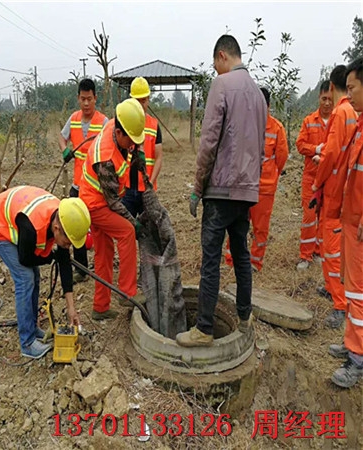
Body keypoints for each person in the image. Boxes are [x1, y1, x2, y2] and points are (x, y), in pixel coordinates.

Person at [176, 35, 267, 347]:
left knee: (211, 259)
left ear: (222, 56)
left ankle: (203, 328)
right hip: (246, 192)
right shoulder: (258, 94)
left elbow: (209, 142)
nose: (216, 70)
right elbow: (261, 148)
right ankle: (244, 316)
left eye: (216, 64)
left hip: (220, 190)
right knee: (241, 254)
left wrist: (197, 188)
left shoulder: (222, 85)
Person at [0, 186, 90, 359]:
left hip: (18, 211)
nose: (68, 245)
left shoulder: (64, 218)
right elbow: (25, 259)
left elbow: (64, 265)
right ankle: (27, 343)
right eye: (68, 241)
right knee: (26, 278)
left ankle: (32, 328)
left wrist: (71, 309)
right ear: (56, 229)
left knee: (35, 276)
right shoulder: (32, 227)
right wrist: (50, 257)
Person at [79, 98, 146, 320]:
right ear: (118, 132)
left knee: (104, 253)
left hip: (98, 198)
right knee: (127, 232)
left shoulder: (116, 124)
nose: (132, 144)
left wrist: (136, 153)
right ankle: (127, 292)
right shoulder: (105, 158)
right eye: (130, 141)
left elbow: (129, 147)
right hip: (95, 204)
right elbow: (114, 203)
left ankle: (100, 307)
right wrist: (133, 222)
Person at [312, 65, 358, 329]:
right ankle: (334, 290)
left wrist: (318, 182)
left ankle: (340, 303)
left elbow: (330, 155)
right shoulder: (352, 112)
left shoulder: (341, 113)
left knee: (331, 249)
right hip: (343, 189)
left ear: (330, 86)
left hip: (334, 190)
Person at [225, 87, 288, 272]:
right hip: (244, 186)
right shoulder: (244, 126)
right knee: (237, 224)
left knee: (260, 229)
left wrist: (271, 175)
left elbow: (282, 157)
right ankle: (231, 260)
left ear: (267, 105)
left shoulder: (277, 128)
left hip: (265, 189)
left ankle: (255, 262)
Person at [329, 57, 363, 388]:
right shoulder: (361, 124)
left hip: (361, 225)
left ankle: (357, 359)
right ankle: (352, 345)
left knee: (360, 295)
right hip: (352, 223)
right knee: (354, 290)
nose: (348, 95)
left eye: (352, 88)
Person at [58, 78, 108, 283]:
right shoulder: (74, 119)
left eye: (89, 99)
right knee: (74, 225)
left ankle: (103, 266)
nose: (86, 103)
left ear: (95, 98)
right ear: (78, 99)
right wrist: (65, 150)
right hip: (78, 184)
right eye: (82, 99)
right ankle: (81, 270)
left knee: (99, 227)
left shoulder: (104, 122)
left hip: (97, 187)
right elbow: (62, 137)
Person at [296, 81, 333, 272]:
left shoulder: (337, 122)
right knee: (309, 217)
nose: (327, 103)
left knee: (325, 217)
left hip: (330, 179)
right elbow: (300, 144)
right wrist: (315, 149)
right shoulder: (309, 120)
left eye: (330, 99)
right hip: (311, 178)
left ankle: (318, 252)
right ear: (319, 98)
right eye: (324, 99)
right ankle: (305, 256)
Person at [122, 77, 163, 217]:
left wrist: (150, 185)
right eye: (137, 101)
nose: (140, 105)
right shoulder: (123, 123)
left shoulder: (154, 125)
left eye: (143, 100)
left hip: (146, 189)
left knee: (150, 232)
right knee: (127, 229)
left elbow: (159, 158)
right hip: (126, 188)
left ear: (149, 99)